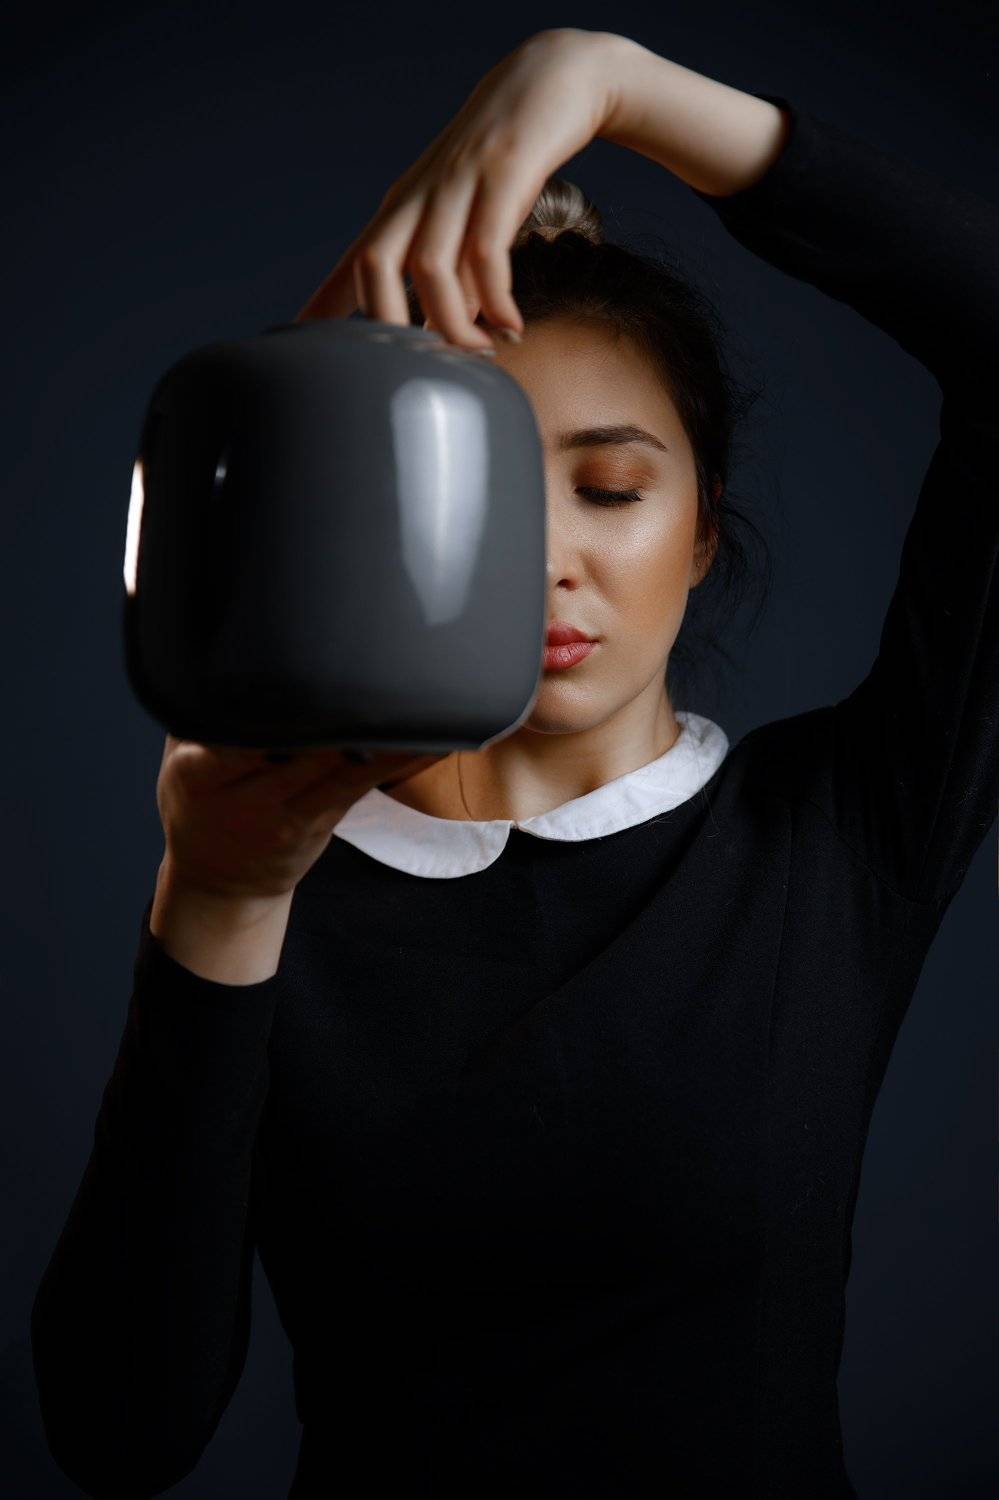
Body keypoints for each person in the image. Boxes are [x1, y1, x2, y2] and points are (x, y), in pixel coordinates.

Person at [30, 27, 998, 1500]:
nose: (544, 559)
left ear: (703, 530)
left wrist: (610, 81)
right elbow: (118, 1435)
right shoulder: (266, 876)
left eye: (607, 487)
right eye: (477, 493)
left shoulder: (834, 836)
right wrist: (217, 902)